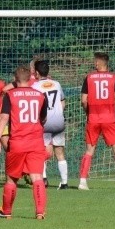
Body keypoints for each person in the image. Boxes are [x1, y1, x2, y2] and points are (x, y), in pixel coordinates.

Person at [0, 66, 48, 219]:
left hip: (17, 142)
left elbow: (4, 118)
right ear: (30, 79)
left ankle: (7, 212)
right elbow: (43, 118)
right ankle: (39, 212)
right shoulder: (40, 95)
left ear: (15, 80)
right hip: (36, 142)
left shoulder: (10, 95)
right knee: (37, 177)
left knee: (11, 178)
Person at [78, 52, 115, 190]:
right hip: (109, 118)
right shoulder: (113, 77)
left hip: (93, 118)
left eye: (96, 61)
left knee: (89, 150)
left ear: (101, 62)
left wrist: (88, 112)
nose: (94, 63)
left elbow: (84, 100)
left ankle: (82, 182)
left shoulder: (89, 77)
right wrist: (114, 110)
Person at [31, 60, 68, 189]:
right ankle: (64, 183)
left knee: (41, 152)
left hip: (45, 122)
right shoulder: (57, 84)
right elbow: (63, 102)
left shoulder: (35, 87)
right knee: (60, 152)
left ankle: (44, 179)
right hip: (58, 121)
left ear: (36, 73)